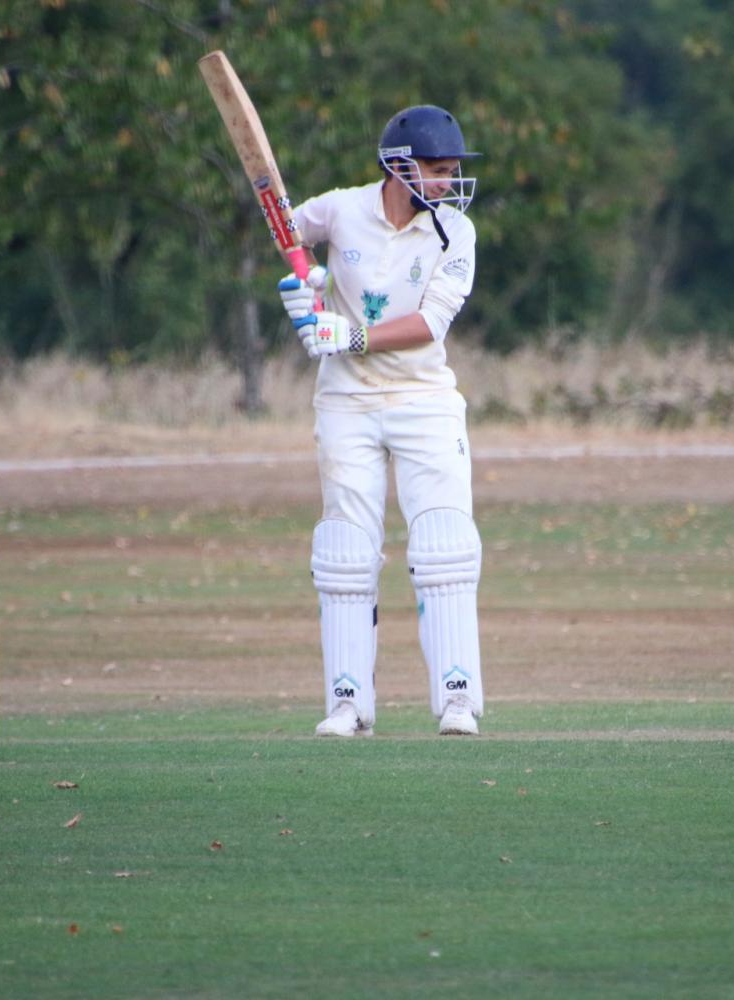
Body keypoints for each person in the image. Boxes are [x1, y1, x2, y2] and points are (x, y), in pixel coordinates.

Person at [276, 105, 484, 738]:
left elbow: (429, 324)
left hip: (424, 400)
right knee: (344, 550)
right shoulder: (340, 210)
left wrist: (350, 332)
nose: (448, 185)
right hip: (347, 404)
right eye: (439, 171)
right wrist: (300, 283)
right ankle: (348, 704)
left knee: (444, 545)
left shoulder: (456, 234)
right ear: (400, 166)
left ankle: (457, 699)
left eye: (453, 173)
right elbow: (285, 231)